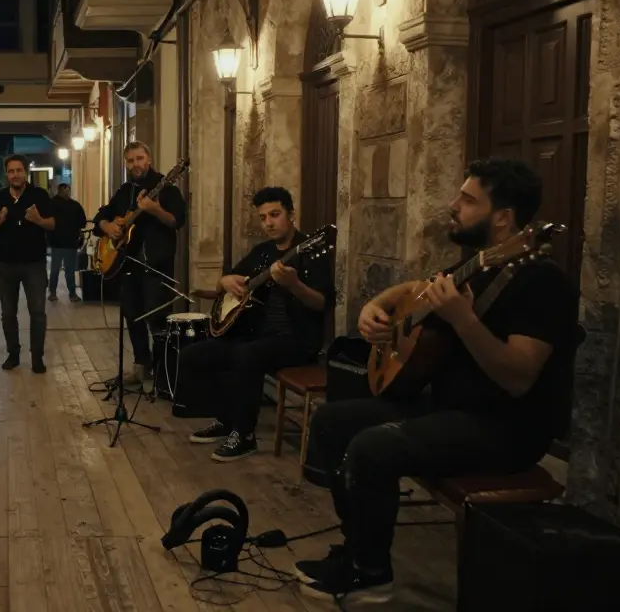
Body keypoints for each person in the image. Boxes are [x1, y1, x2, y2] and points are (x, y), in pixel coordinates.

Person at [294, 158, 577, 602]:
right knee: (332, 420)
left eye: (467, 200)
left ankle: (370, 575)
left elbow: (518, 377)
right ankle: (357, 548)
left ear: (503, 219)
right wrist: (376, 308)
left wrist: (463, 320)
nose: (453, 205)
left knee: (373, 447)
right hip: (450, 408)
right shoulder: (477, 265)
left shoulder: (542, 282)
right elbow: (415, 290)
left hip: (505, 427)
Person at [182, 186, 333, 461]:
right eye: (263, 217)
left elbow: (321, 303)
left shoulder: (310, 251)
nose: (269, 223)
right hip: (258, 334)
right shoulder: (262, 252)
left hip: (297, 340)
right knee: (197, 353)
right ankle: (226, 420)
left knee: (246, 355)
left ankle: (245, 435)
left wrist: (294, 284)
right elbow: (229, 279)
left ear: (291, 215)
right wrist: (224, 281)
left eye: (275, 215)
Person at [93, 142, 187, 382]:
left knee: (156, 318)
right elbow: (100, 218)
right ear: (126, 163)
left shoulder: (166, 188)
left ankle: (161, 374)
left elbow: (177, 221)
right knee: (132, 315)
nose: (135, 164)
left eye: (139, 158)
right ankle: (140, 366)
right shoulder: (125, 191)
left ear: (149, 159)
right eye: (130, 160)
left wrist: (154, 209)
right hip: (127, 265)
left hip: (156, 265)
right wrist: (109, 226)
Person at [0, 154, 55, 373]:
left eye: (19, 170)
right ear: (7, 174)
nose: (15, 175)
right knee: (8, 312)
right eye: (11, 171)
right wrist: (1, 218)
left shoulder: (39, 195)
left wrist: (38, 220)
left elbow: (52, 224)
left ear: (26, 172)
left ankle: (37, 357)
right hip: (6, 263)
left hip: (34, 263)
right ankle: (13, 354)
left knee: (37, 311)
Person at [48, 183, 87, 302]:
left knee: (59, 269)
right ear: (60, 190)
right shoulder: (73, 205)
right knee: (65, 270)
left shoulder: (52, 204)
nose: (67, 192)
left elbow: (82, 222)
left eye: (68, 190)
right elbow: (82, 222)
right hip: (67, 242)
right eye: (66, 189)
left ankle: (56, 293)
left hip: (62, 243)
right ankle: (70, 294)